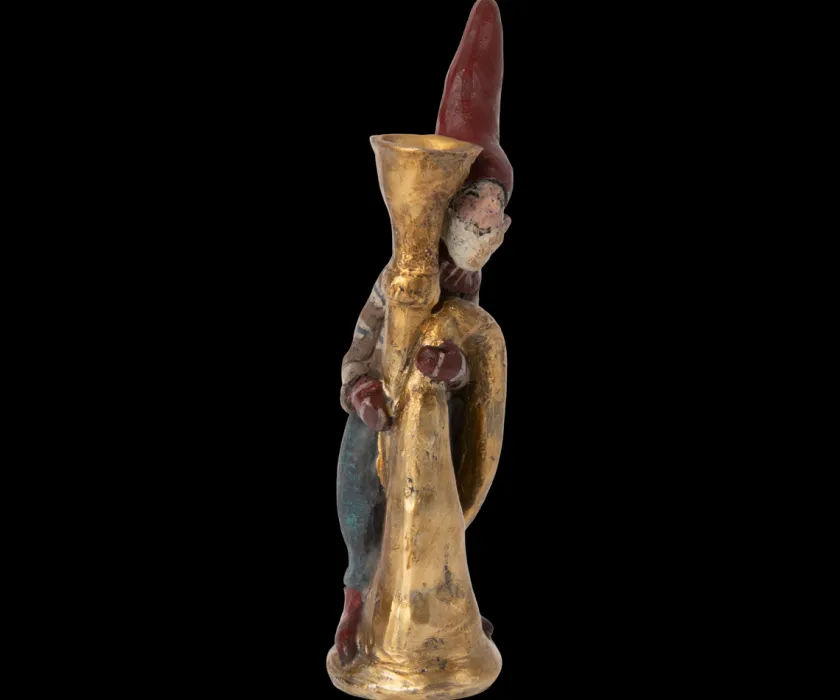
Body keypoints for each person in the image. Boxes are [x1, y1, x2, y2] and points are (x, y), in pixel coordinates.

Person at [334, 0, 513, 666]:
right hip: (383, 407)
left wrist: (455, 370)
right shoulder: (399, 279)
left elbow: (477, 365)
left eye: (494, 217)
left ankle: (442, 595)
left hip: (439, 417)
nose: (485, 221)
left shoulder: (468, 292)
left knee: (447, 502)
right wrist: (363, 391)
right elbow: (361, 344)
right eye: (475, 209)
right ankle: (357, 604)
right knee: (361, 495)